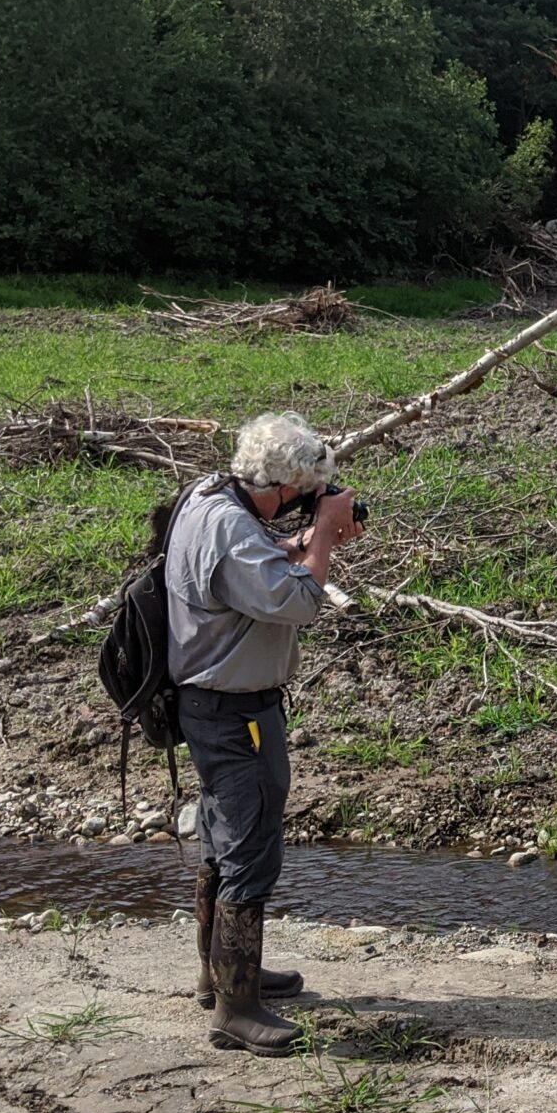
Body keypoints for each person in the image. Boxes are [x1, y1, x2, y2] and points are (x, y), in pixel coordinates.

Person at [166, 410, 363, 1054]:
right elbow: (300, 602)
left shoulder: (207, 495)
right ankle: (236, 1010)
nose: (308, 501)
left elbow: (240, 572)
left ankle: (220, 976)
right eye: (305, 490)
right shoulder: (231, 528)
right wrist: (325, 537)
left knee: (224, 839)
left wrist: (293, 545)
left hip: (210, 704)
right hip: (234, 712)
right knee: (251, 846)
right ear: (285, 487)